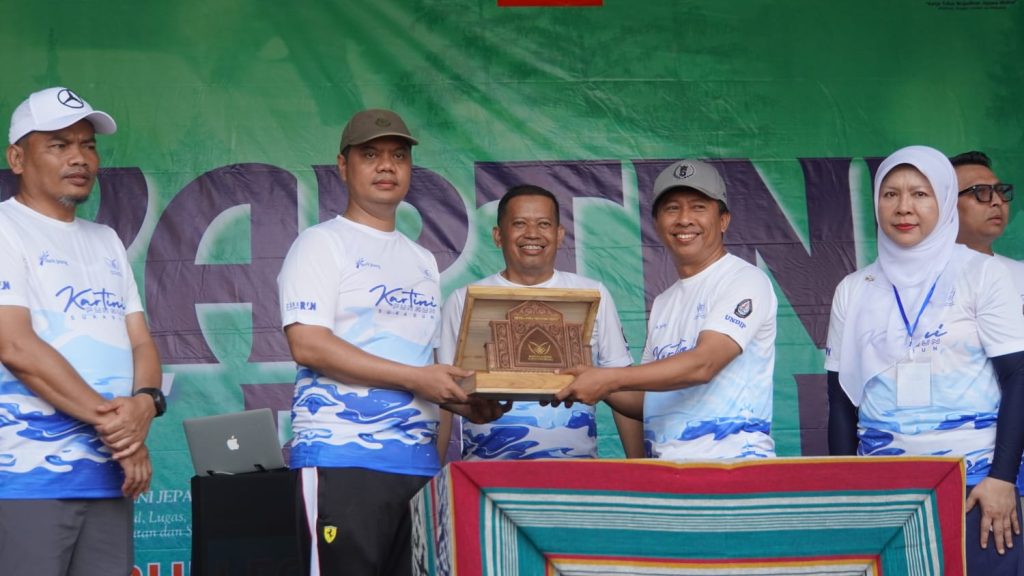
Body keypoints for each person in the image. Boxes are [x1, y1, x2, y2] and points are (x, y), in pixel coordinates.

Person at [277, 108, 506, 576]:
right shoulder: (320, 244)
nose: (386, 165)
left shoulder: (422, 260)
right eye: (371, 155)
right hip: (342, 459)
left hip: (417, 468)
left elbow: (420, 366)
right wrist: (418, 378)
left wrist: (466, 404)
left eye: (399, 155)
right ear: (343, 166)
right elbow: (309, 345)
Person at [826, 145, 1024, 575]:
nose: (904, 208)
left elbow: (1018, 377)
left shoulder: (982, 274)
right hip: (883, 494)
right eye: (890, 194)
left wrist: (1002, 478)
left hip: (975, 486)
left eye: (920, 194)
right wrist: (846, 492)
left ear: (944, 200)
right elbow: (840, 401)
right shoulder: (854, 288)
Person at [0, 87, 165, 575]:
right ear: (17, 158)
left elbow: (140, 341)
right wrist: (122, 432)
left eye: (87, 145)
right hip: (26, 478)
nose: (79, 158)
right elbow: (15, 344)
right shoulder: (5, 228)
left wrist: (145, 404)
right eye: (59, 145)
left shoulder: (105, 239)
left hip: (109, 478)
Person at [555, 159, 777, 460]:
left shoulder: (745, 279)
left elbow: (704, 364)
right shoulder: (664, 302)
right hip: (668, 473)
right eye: (672, 208)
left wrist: (607, 379)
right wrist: (580, 379)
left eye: (698, 207)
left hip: (732, 470)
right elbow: (646, 399)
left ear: (723, 220)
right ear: (657, 224)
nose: (684, 219)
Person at [438, 185, 644, 461]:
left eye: (544, 224)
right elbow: (444, 395)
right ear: (498, 236)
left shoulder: (593, 294)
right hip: (487, 473)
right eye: (519, 224)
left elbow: (620, 386)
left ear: (559, 235)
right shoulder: (462, 299)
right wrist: (436, 475)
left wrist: (639, 466)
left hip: (576, 473)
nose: (532, 233)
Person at [951, 149, 1024, 513]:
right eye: (980, 192)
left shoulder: (1019, 273)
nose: (996, 201)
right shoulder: (923, 286)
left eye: (1000, 191)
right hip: (974, 468)